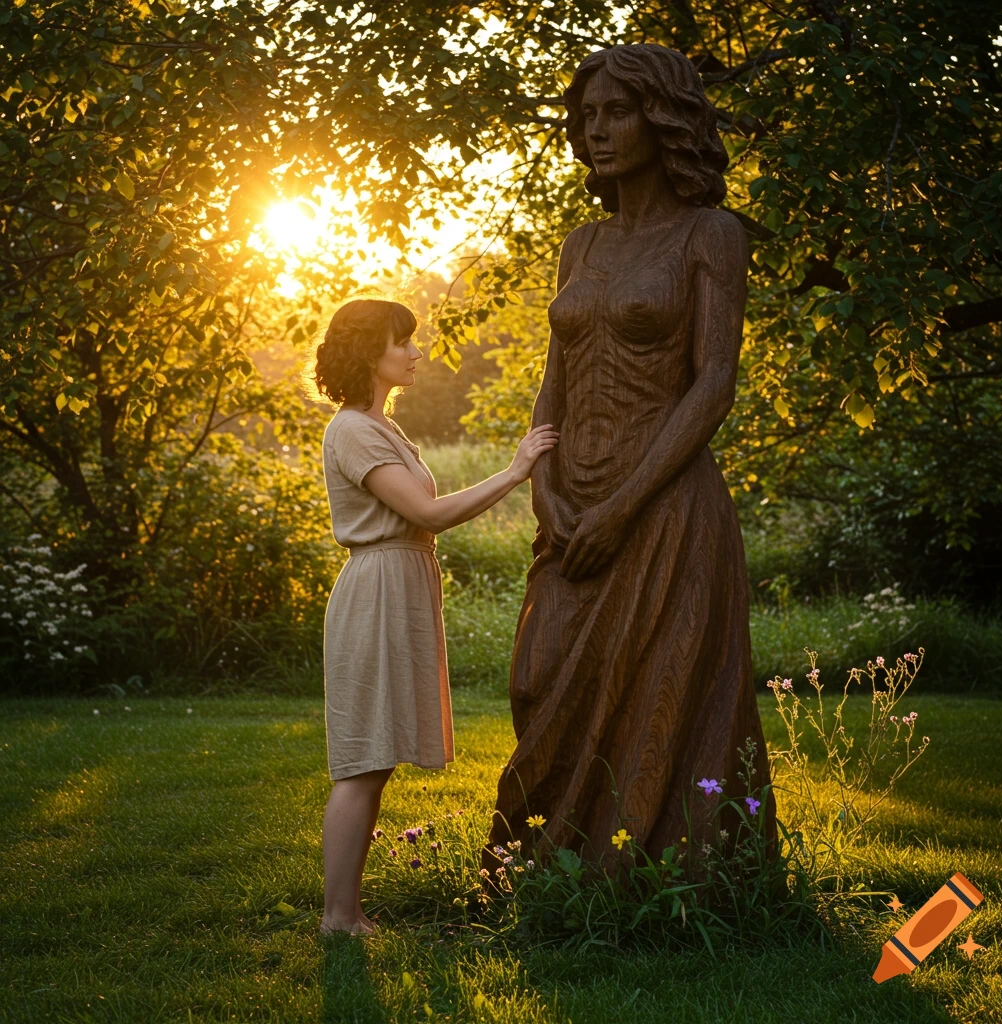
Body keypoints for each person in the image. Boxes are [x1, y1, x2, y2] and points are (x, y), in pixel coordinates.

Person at [489, 44, 777, 865]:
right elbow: (554, 383)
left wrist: (623, 509)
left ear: (664, 118)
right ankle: (543, 870)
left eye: (618, 111)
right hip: (571, 501)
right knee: (537, 678)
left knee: (661, 700)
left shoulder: (710, 234)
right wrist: (543, 489)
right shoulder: (580, 244)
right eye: (588, 115)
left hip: (665, 507)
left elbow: (713, 384)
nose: (598, 130)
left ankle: (655, 885)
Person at [314, 297, 557, 935]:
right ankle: (338, 917)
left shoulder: (384, 426)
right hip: (377, 590)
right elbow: (428, 514)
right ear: (370, 352)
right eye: (403, 342)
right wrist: (515, 471)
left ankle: (347, 913)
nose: (415, 352)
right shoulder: (353, 429)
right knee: (363, 759)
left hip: (400, 583)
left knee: (376, 760)